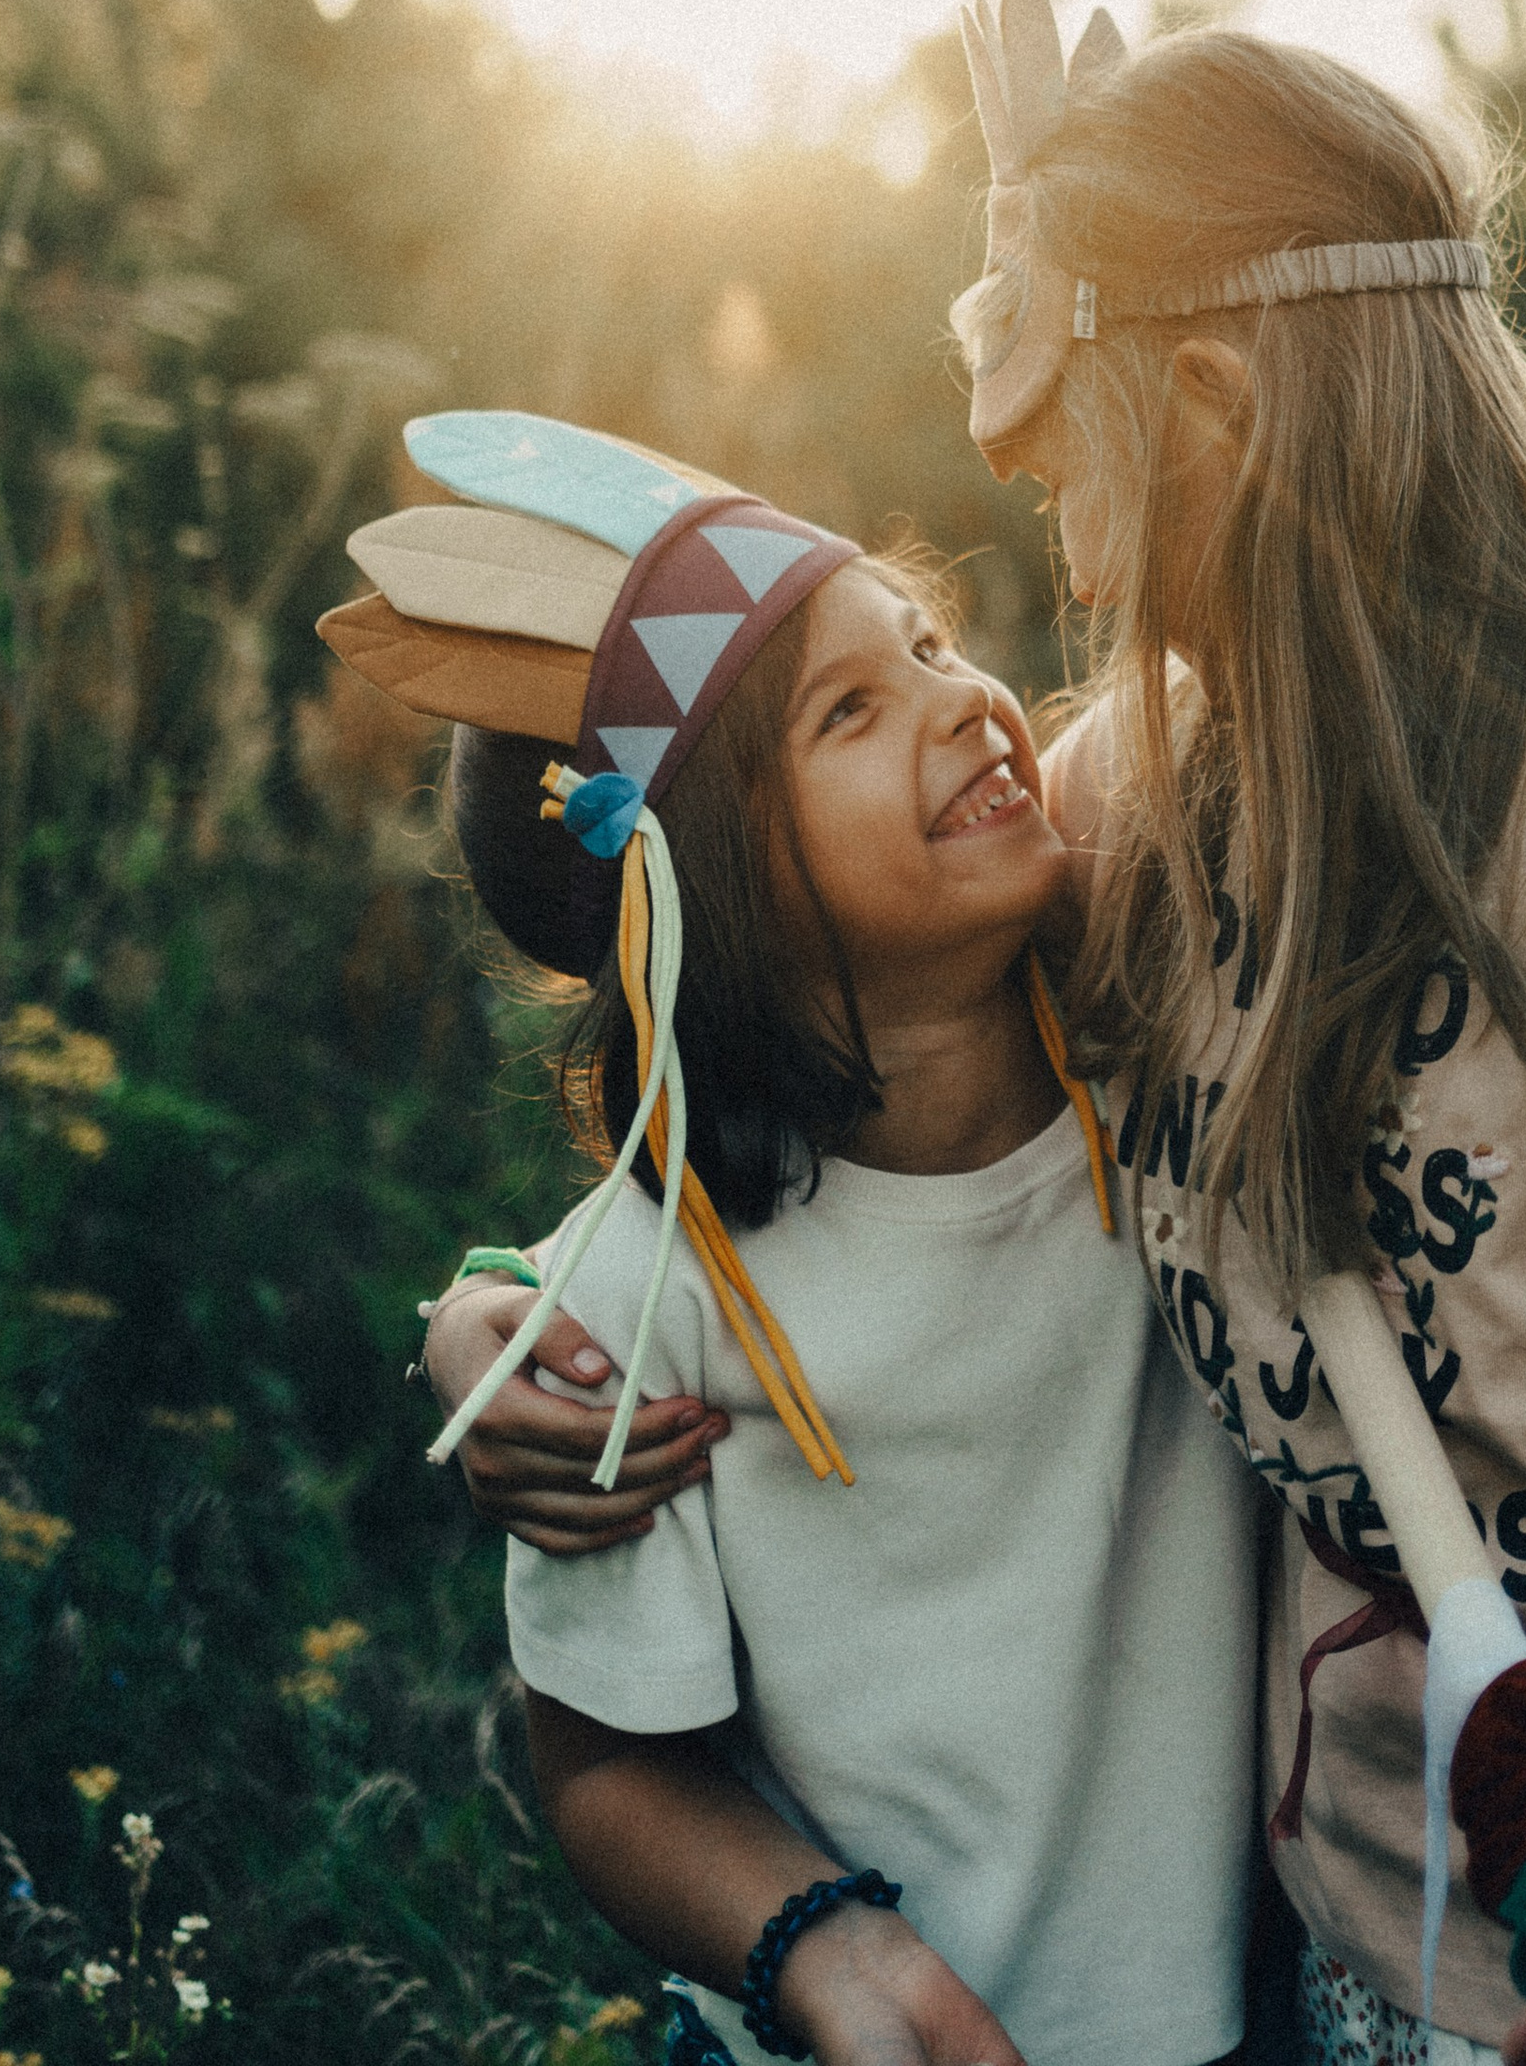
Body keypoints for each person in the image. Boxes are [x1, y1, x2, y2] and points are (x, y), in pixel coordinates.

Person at [451, 0, 1526, 2066]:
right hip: (1343, 1949)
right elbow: (787, 1008)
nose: (1065, 571)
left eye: (1060, 473)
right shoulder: (1138, 806)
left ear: (1209, 409)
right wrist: (501, 1323)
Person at [336, 405, 1257, 2066]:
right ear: (712, 885)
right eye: (851, 708)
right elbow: (608, 1769)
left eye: (930, 645)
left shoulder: (1180, 1071)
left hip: (1260, 2013)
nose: (963, 699)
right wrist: (825, 1952)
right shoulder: (640, 1308)